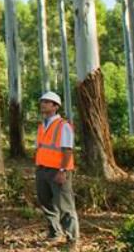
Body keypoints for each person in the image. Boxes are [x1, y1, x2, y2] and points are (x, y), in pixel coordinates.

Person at [34, 91, 79, 247]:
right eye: (42, 101)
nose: (43, 104)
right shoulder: (42, 126)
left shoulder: (63, 126)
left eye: (47, 102)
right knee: (45, 202)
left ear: (55, 106)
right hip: (42, 170)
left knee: (65, 206)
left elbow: (67, 150)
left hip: (58, 171)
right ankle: (55, 233)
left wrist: (62, 170)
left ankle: (72, 240)